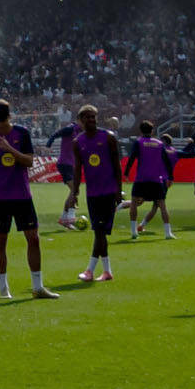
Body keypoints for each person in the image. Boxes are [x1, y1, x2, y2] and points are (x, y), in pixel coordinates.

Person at [0, 99, 50, 300]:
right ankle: (3, 290)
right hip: (1, 197)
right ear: (9, 113)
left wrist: (9, 149)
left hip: (22, 195)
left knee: (33, 239)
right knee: (1, 241)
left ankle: (37, 287)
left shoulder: (21, 133)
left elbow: (29, 161)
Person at [64, 103, 123, 285]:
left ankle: (90, 270)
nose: (91, 120)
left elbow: (117, 165)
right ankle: (107, 271)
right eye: (87, 117)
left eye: (93, 116)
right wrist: (74, 192)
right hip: (92, 194)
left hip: (108, 192)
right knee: (100, 232)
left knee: (99, 232)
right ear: (81, 121)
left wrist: (118, 190)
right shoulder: (78, 142)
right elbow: (78, 168)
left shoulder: (108, 138)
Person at [127, 119, 176, 238]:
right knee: (162, 205)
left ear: (140, 131)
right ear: (152, 130)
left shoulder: (138, 142)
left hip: (141, 179)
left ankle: (134, 231)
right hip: (156, 179)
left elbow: (132, 157)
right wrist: (170, 177)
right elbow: (166, 161)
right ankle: (168, 233)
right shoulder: (159, 144)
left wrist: (126, 172)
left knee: (134, 202)